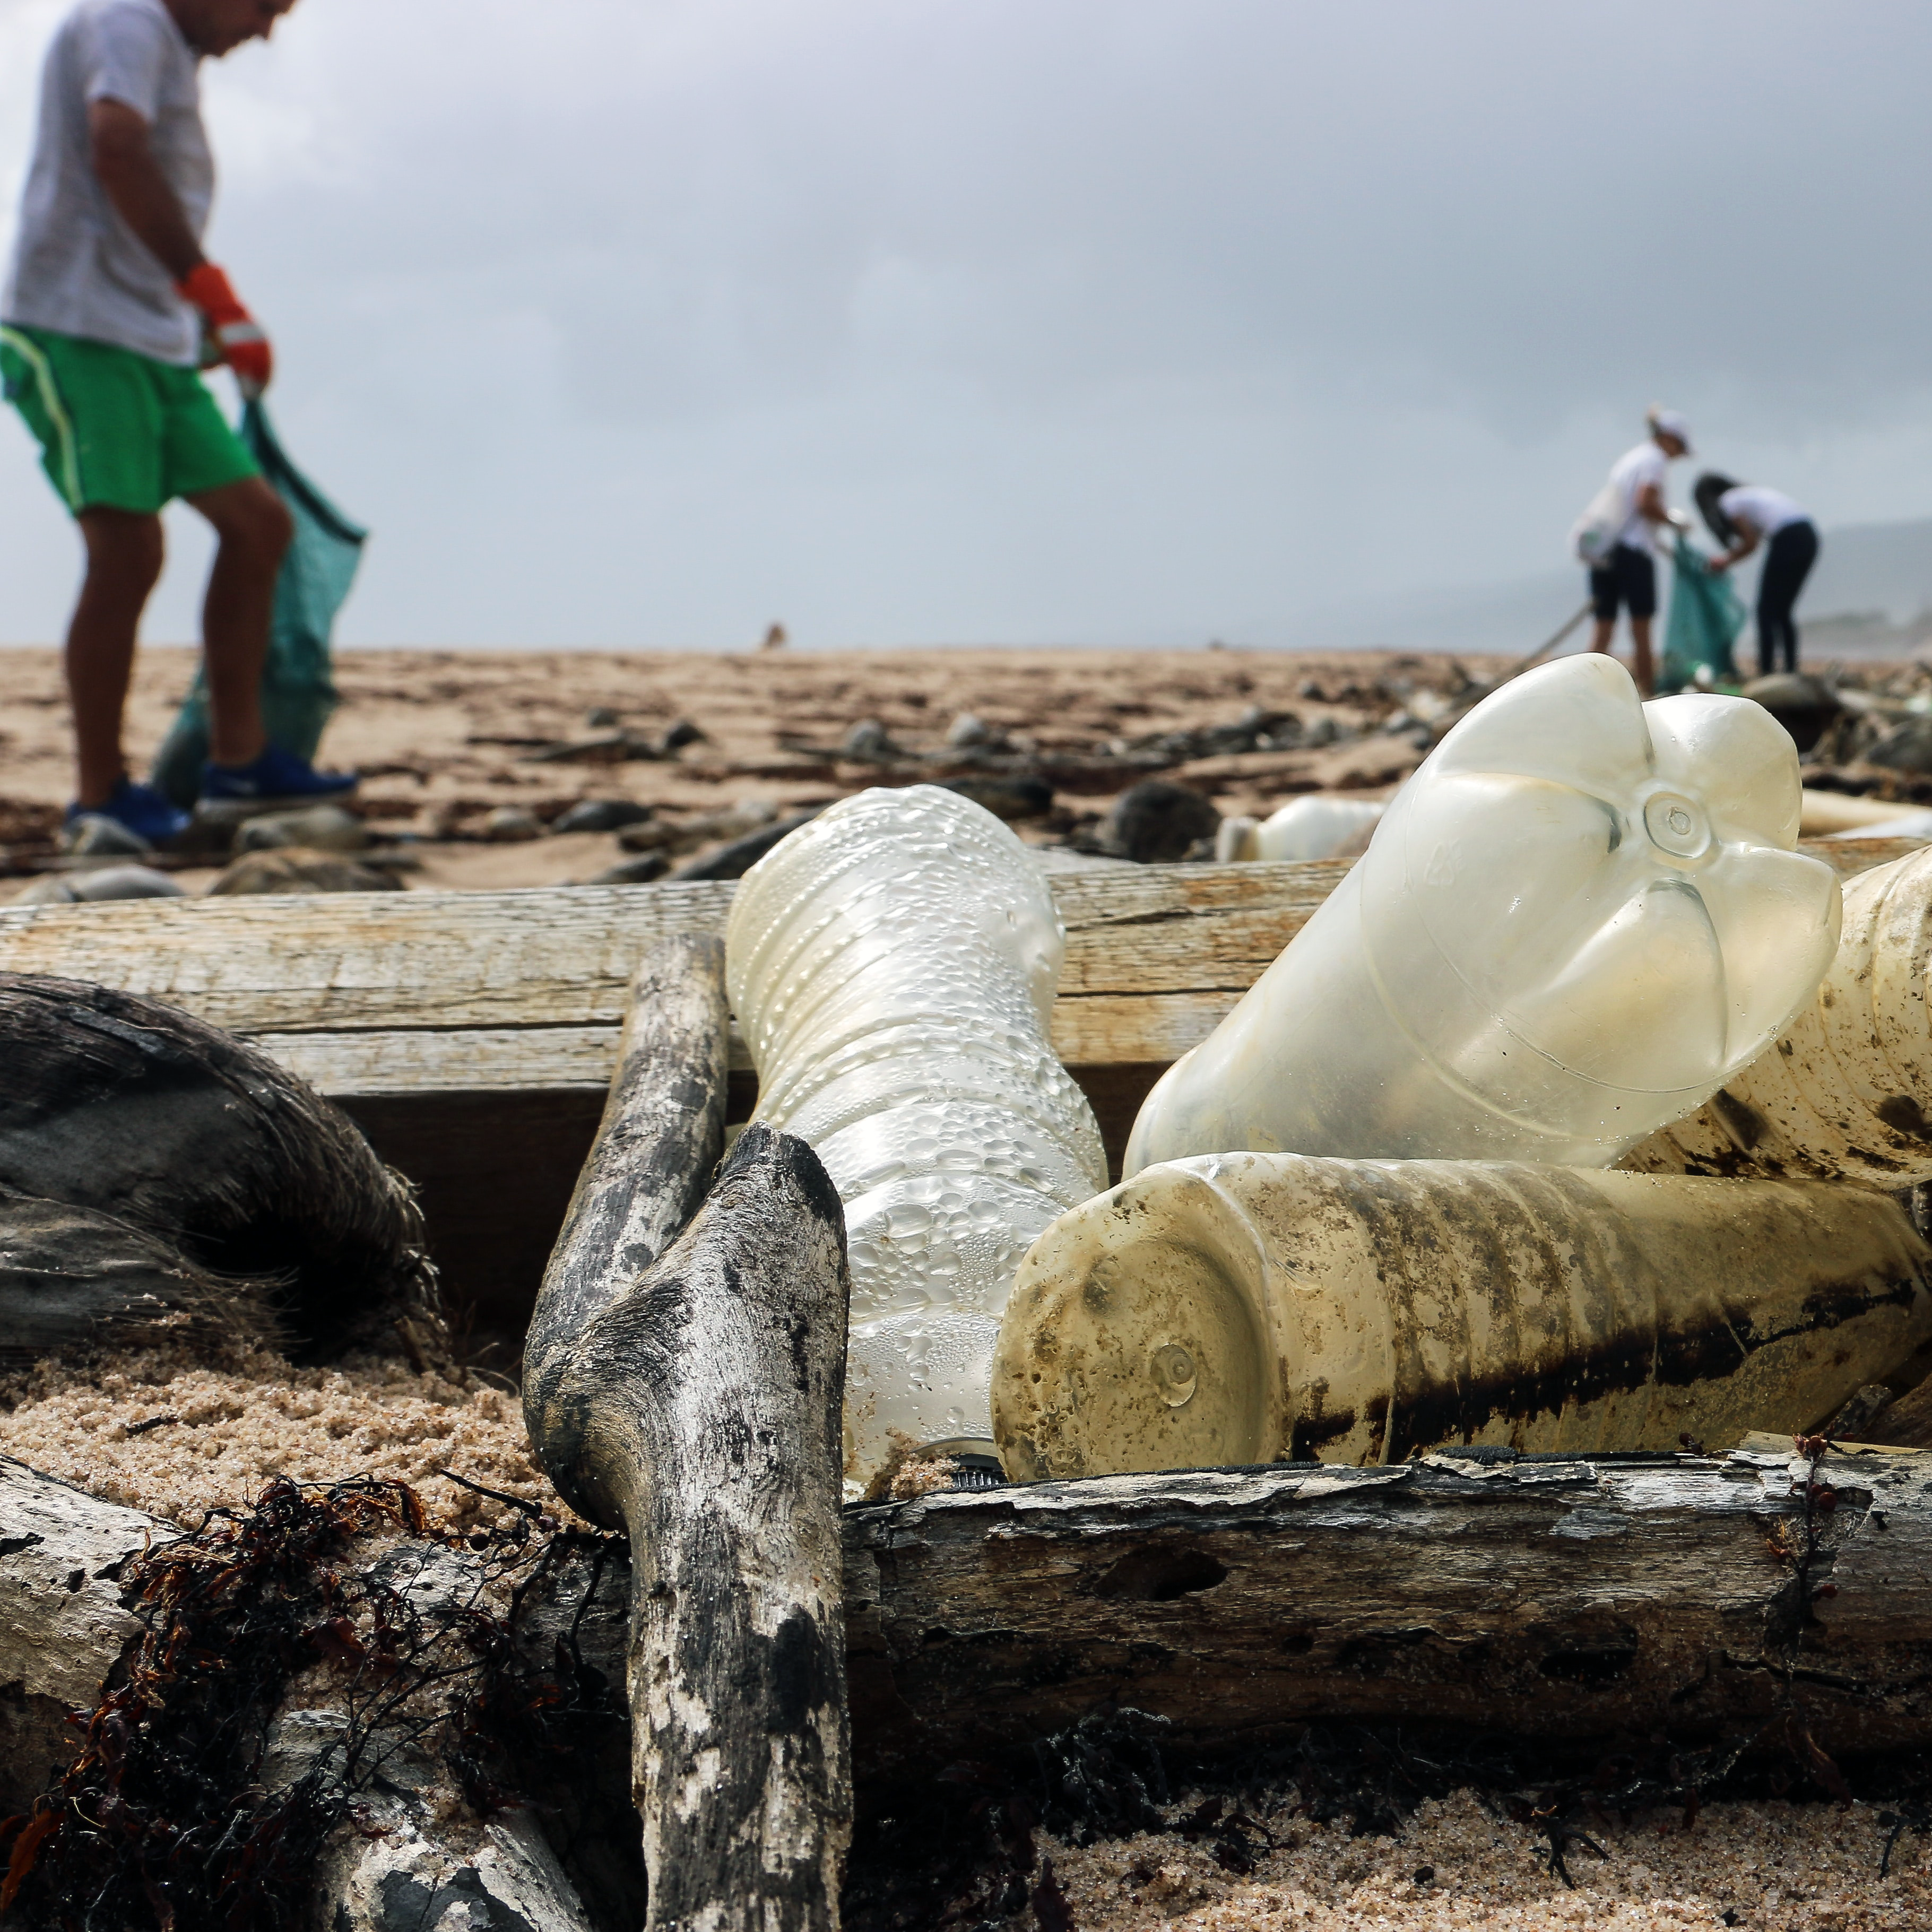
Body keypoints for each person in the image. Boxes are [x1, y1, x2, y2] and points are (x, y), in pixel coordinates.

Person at [1, 0, 353, 849]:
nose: (266, 29)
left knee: (258, 523)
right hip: (73, 325)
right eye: (266, 5)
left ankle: (240, 762)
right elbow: (115, 148)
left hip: (149, 334)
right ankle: (100, 796)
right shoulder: (126, 19)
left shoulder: (168, 48)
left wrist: (193, 322)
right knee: (127, 550)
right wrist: (209, 288)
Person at [1583, 408, 1693, 696]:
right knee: (1641, 627)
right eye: (1678, 446)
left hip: (1606, 550)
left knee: (1603, 627)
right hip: (1632, 554)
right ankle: (1648, 693)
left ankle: (1584, 690)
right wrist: (1673, 520)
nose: (1676, 454)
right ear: (1669, 438)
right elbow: (1645, 502)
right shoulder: (1653, 461)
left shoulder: (1631, 459)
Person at [1694, 473, 1821, 679]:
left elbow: (1750, 543)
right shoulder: (1747, 496)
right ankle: (1790, 668)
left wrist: (1724, 561)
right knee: (1783, 611)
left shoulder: (1729, 502)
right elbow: (1754, 543)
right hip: (1809, 536)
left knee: (1766, 611)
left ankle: (1767, 670)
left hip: (1789, 538)